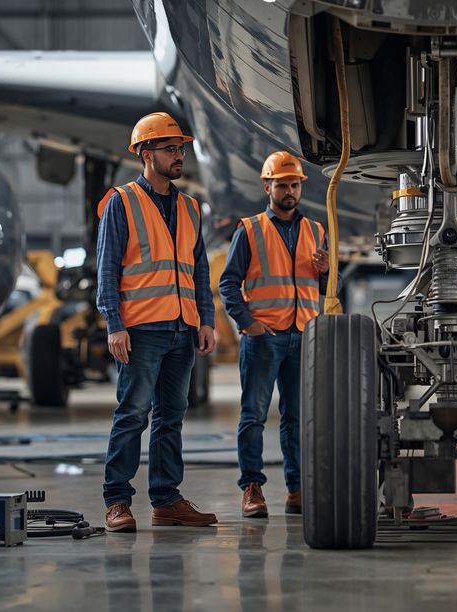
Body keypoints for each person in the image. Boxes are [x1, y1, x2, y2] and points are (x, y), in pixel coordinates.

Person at [96, 112, 217, 532]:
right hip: (141, 329)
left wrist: (205, 319)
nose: (178, 155)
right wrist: (114, 323)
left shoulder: (189, 206)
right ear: (147, 155)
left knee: (172, 416)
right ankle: (117, 500)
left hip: (183, 328)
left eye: (180, 148)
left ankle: (166, 499)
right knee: (132, 413)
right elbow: (107, 268)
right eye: (170, 149)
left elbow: (198, 268)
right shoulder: (121, 202)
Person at [218, 151, 331, 518]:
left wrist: (328, 271)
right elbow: (228, 283)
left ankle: (297, 489)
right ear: (267, 187)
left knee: (297, 416)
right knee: (252, 414)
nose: (289, 190)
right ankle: (252, 488)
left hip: (304, 335)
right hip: (264, 337)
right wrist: (246, 321)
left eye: (294, 184)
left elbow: (329, 286)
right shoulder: (249, 230)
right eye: (282, 184)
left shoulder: (316, 231)